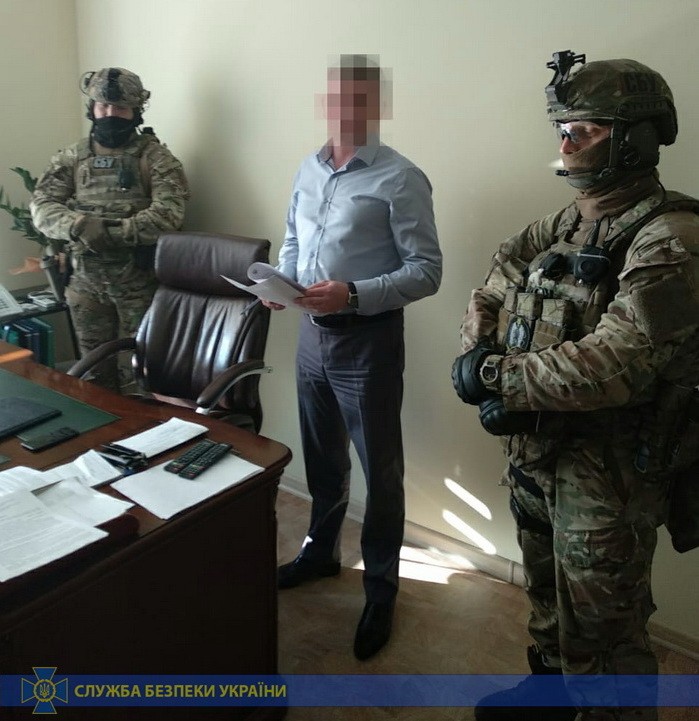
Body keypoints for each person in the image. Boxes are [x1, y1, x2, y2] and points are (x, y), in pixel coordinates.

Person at [453, 50, 699, 721]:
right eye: (562, 129)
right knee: (544, 593)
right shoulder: (564, 224)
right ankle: (547, 696)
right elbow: (496, 281)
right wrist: (477, 349)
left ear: (634, 138)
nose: (565, 144)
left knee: (604, 627)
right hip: (536, 451)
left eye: (584, 130)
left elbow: (618, 360)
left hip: (607, 475)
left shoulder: (670, 238)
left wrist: (496, 376)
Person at [265, 54, 442, 661]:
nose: (345, 109)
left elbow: (427, 271)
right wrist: (281, 283)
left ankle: (381, 588)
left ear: (377, 105)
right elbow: (293, 238)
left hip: (368, 341)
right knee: (322, 457)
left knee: (380, 471)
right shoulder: (308, 167)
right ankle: (320, 552)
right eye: (337, 97)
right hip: (311, 337)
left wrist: (355, 294)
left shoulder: (401, 177)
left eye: (358, 98)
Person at [30, 67, 189, 391]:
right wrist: (78, 226)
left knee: (141, 377)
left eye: (120, 108)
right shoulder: (73, 157)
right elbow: (42, 206)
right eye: (103, 106)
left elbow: (169, 214)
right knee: (93, 377)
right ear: (92, 108)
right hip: (86, 285)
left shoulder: (156, 158)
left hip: (139, 287)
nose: (110, 114)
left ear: (135, 111)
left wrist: (110, 233)